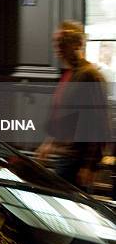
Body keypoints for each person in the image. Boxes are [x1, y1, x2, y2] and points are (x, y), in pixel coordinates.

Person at [36, 20, 110, 190]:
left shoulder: (89, 76)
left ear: (78, 43)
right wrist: (49, 142)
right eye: (57, 43)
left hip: (76, 161)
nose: (58, 47)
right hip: (64, 156)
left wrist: (89, 166)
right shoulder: (70, 74)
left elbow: (98, 123)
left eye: (64, 42)